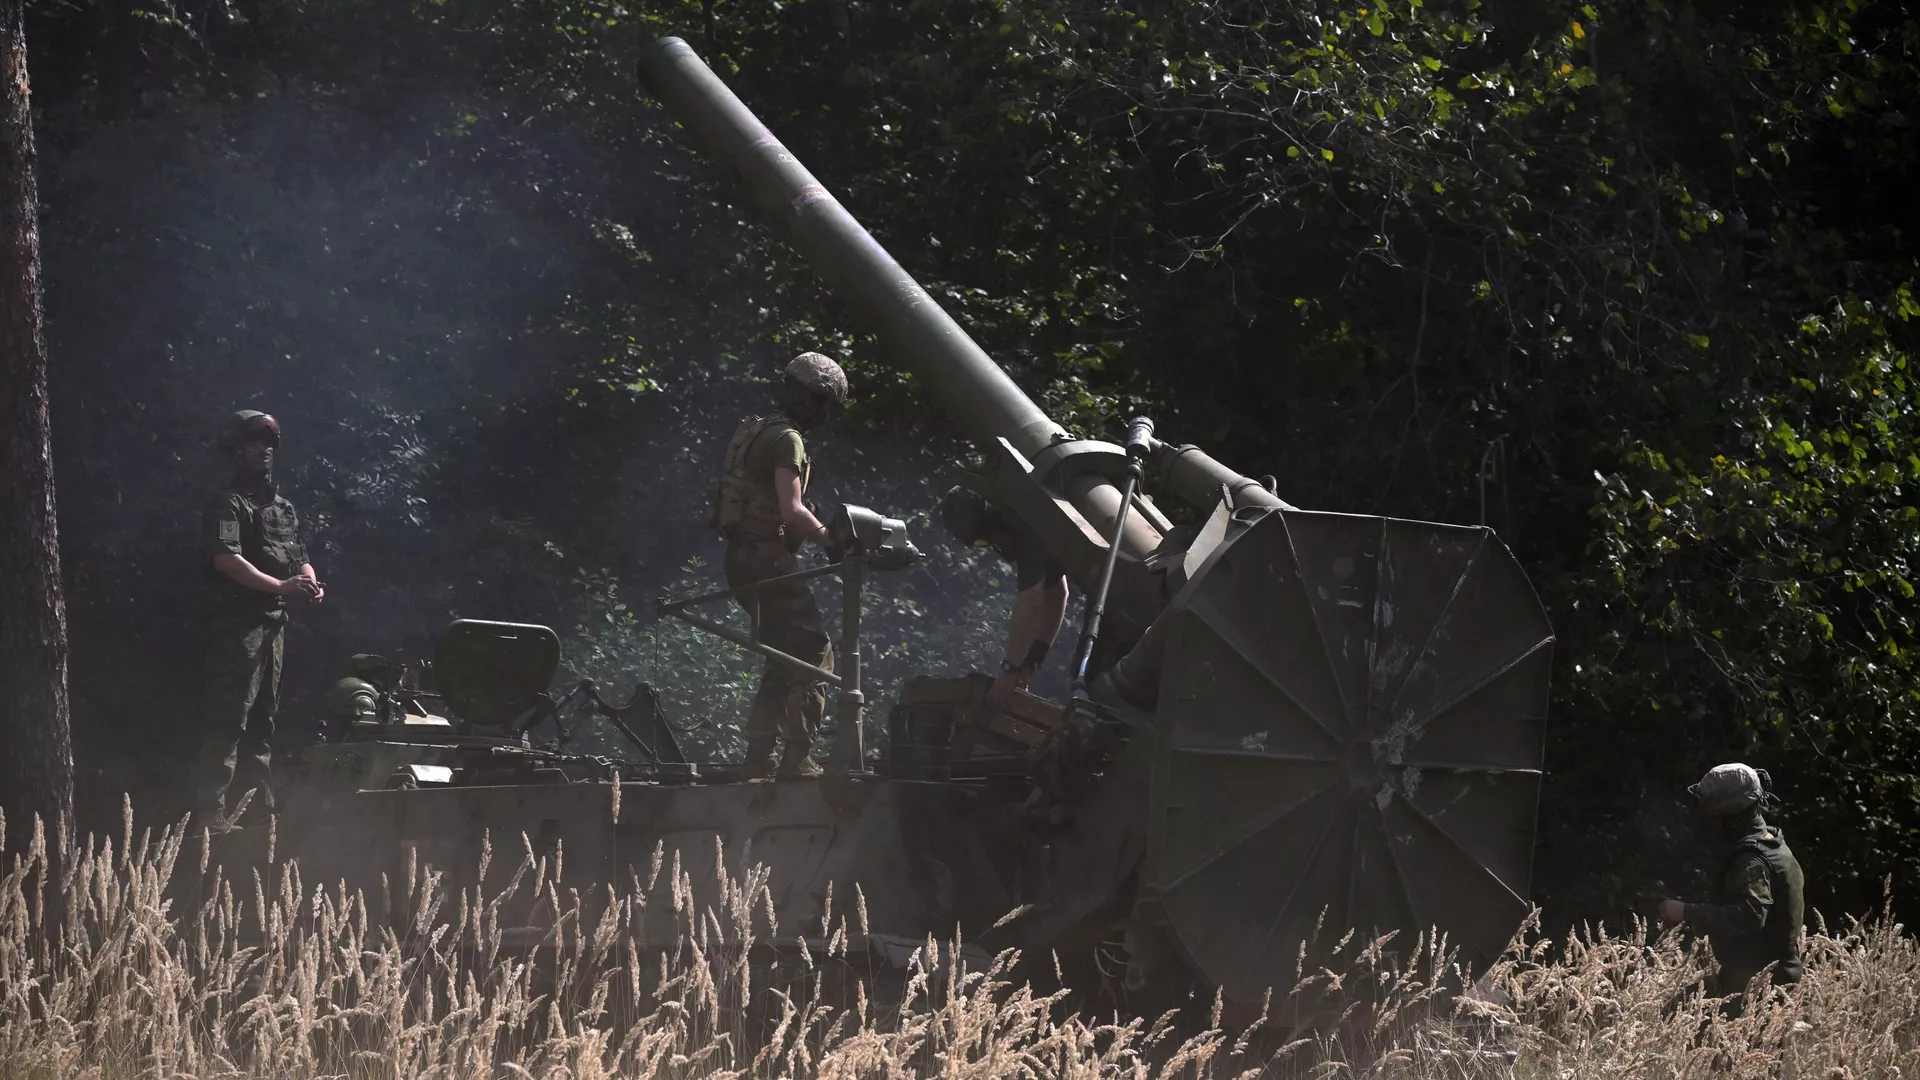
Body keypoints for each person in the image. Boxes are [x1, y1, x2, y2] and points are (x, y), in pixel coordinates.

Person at [709, 352, 849, 779]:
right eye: (823, 402)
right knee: (813, 651)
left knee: (783, 653)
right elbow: (790, 512)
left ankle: (759, 755)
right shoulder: (787, 438)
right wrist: (830, 538)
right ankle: (797, 758)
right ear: (810, 398)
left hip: (740, 559)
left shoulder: (755, 430)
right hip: (766, 557)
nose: (823, 413)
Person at [197, 410, 323, 831]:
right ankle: (211, 814)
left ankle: (258, 816)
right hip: (238, 625)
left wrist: (309, 583)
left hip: (273, 625)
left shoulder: (283, 508)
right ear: (235, 451)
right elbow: (226, 559)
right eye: (253, 443)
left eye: (269, 444)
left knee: (262, 724)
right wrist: (280, 586)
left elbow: (300, 557)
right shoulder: (228, 504)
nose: (263, 451)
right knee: (229, 718)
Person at [1657, 762, 1805, 1012]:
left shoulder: (1752, 860)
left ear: (1730, 814)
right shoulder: (1771, 841)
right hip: (1761, 974)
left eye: (1714, 814)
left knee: (1682, 1023)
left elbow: (1751, 915)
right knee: (1677, 1012)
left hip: (1760, 981)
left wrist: (1686, 912)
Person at [941, 487, 1070, 706]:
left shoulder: (1022, 523)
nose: (990, 545)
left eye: (984, 541)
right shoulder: (1028, 509)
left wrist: (1010, 670)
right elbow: (1057, 593)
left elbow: (1032, 601)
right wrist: (1032, 661)